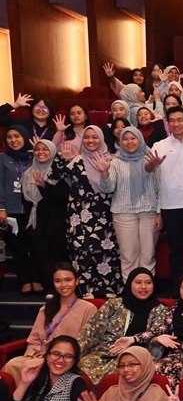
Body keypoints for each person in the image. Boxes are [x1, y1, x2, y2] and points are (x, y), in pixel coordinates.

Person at [50, 126, 122, 297]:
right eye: (87, 137)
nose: (90, 140)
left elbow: (115, 187)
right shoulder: (76, 160)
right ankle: (86, 290)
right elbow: (54, 176)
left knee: (106, 251)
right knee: (82, 253)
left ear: (102, 139)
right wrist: (64, 158)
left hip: (105, 216)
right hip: (79, 217)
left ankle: (109, 290)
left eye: (95, 137)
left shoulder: (112, 160)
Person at [2, 264, 97, 386]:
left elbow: (89, 342)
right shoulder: (46, 309)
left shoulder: (88, 309)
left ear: (77, 281)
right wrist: (35, 354)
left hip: (66, 358)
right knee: (13, 364)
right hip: (40, 357)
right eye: (58, 281)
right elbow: (34, 340)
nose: (63, 285)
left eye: (68, 280)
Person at [77, 268, 171, 382]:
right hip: (105, 353)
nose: (143, 287)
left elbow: (155, 338)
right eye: (138, 282)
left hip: (135, 358)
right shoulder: (114, 304)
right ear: (129, 284)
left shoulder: (161, 310)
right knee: (81, 368)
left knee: (117, 374)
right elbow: (91, 331)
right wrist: (74, 353)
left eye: (148, 283)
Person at [148, 107, 183, 280]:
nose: (176, 124)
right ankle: (177, 286)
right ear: (168, 123)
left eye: (180, 120)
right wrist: (152, 165)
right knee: (176, 249)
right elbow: (148, 169)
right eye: (172, 120)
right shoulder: (160, 146)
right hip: (171, 205)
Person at [96, 126, 160, 277]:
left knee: (147, 256)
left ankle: (146, 291)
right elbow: (108, 188)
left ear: (140, 139)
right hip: (123, 213)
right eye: (125, 139)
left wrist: (160, 213)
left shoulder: (151, 159)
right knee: (128, 257)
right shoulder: (116, 162)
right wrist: (104, 172)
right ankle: (129, 294)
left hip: (148, 212)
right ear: (120, 141)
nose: (129, 142)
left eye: (133, 138)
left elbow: (160, 188)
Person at [21, 139, 70, 293]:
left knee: (58, 254)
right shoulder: (28, 173)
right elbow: (26, 201)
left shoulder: (59, 171)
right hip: (37, 222)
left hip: (56, 221)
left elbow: (63, 196)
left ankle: (63, 286)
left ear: (53, 152)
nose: (41, 152)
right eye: (38, 149)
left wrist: (44, 186)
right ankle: (47, 284)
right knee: (41, 255)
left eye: (45, 149)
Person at [0, 125, 40, 295]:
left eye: (17, 136)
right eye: (9, 137)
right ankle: (24, 280)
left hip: (34, 208)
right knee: (19, 247)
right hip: (13, 209)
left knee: (37, 246)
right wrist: (2, 208)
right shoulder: (2, 158)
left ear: (24, 137)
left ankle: (38, 278)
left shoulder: (35, 157)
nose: (13, 140)